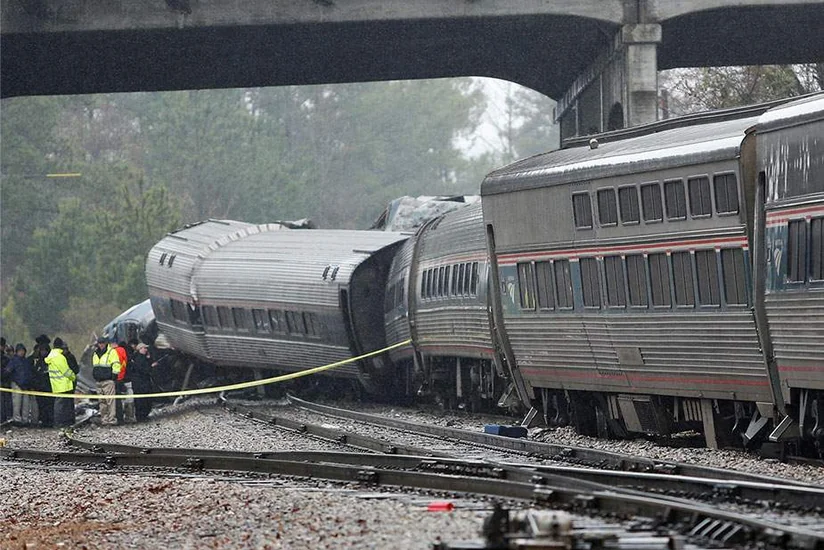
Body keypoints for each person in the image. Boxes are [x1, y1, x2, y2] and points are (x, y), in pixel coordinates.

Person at [45, 337, 76, 428]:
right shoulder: (59, 357)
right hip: (63, 384)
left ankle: (60, 422)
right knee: (61, 405)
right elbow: (66, 371)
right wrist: (73, 377)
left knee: (60, 404)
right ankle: (60, 422)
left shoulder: (51, 356)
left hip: (56, 384)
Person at [6, 343, 38, 426]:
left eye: (23, 351)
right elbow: (8, 372)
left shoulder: (26, 361)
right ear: (16, 352)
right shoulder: (13, 360)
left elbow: (30, 373)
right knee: (17, 403)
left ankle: (25, 420)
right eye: (20, 351)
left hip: (26, 385)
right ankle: (17, 420)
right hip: (17, 384)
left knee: (26, 405)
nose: (22, 352)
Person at [92, 337, 121, 425]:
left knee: (110, 401)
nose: (101, 344)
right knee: (102, 402)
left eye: (102, 343)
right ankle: (104, 420)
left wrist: (113, 377)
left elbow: (116, 364)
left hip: (108, 380)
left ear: (105, 343)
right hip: (99, 381)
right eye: (100, 343)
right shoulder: (95, 353)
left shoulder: (111, 352)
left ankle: (111, 420)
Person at [130, 342, 154, 421]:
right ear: (140, 349)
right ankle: (142, 416)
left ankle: (141, 416)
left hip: (139, 383)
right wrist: (151, 366)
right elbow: (144, 370)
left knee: (141, 400)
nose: (146, 350)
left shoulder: (136, 358)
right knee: (143, 400)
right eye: (144, 348)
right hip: (141, 383)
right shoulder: (140, 359)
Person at [33, 340, 54, 428]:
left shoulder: (50, 361)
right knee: (41, 406)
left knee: (49, 405)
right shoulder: (38, 362)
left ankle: (50, 420)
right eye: (41, 351)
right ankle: (43, 420)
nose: (42, 352)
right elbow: (35, 373)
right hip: (40, 388)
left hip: (49, 387)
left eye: (44, 351)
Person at [114, 340, 135, 423]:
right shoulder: (128, 357)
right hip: (128, 380)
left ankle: (119, 417)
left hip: (117, 380)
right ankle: (129, 416)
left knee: (118, 400)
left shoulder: (114, 354)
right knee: (130, 399)